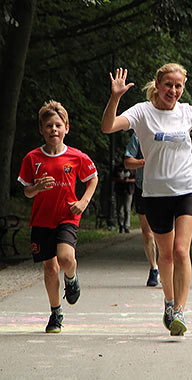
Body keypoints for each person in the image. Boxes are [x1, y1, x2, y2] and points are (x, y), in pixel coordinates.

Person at [101, 64, 192, 336]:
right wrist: (115, 96)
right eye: (168, 85)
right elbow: (108, 127)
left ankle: (180, 310)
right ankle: (168, 300)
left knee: (180, 250)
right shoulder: (142, 112)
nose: (173, 91)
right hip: (155, 193)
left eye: (178, 86)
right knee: (165, 255)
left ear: (183, 88)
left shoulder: (187, 112)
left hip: (187, 188)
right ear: (158, 84)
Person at [18, 100, 98, 333]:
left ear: (66, 128)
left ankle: (71, 279)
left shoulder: (76, 157)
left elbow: (92, 178)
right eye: (49, 126)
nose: (54, 129)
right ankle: (56, 313)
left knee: (65, 258)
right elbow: (27, 190)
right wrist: (37, 188)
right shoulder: (32, 158)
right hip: (42, 219)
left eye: (58, 125)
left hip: (67, 216)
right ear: (42, 130)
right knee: (50, 268)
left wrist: (83, 202)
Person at [124, 133, 159, 287]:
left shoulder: (172, 129)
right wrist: (142, 162)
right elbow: (128, 161)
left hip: (167, 188)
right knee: (148, 233)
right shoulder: (138, 135)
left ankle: (167, 267)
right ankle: (154, 268)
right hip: (143, 187)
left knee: (167, 233)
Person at [113, 163, 135, 233]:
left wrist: (128, 180)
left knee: (127, 208)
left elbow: (136, 178)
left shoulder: (132, 168)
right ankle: (121, 225)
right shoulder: (118, 168)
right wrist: (119, 179)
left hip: (128, 190)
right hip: (119, 190)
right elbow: (112, 177)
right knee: (119, 209)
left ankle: (127, 226)